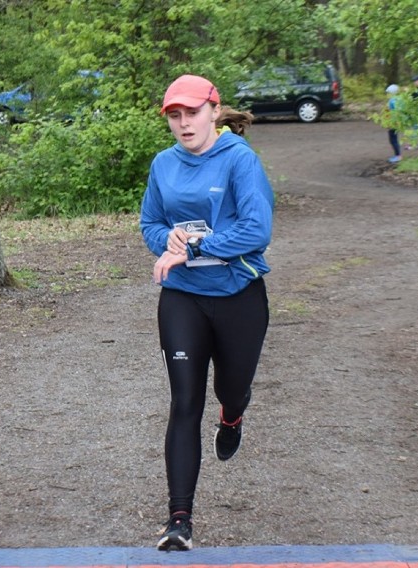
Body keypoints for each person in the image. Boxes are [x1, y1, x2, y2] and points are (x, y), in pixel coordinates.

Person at [140, 74, 273, 552]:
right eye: (174, 116)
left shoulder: (239, 160)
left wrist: (194, 245)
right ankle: (179, 520)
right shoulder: (163, 164)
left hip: (238, 295)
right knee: (183, 403)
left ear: (214, 110)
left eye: (191, 113)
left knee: (229, 388)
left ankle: (233, 414)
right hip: (183, 298)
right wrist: (168, 242)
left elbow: (257, 231)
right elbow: (150, 222)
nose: (183, 123)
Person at [405, 75, 418, 150]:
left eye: (416, 81)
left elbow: (417, 98)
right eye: (414, 81)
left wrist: (408, 93)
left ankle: (413, 144)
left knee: (415, 127)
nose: (414, 83)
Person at [385, 83, 402, 163]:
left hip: (393, 122)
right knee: (393, 139)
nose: (387, 94)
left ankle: (398, 156)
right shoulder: (398, 99)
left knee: (393, 139)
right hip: (394, 122)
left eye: (388, 92)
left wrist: (390, 122)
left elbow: (394, 112)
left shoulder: (393, 100)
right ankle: (397, 155)